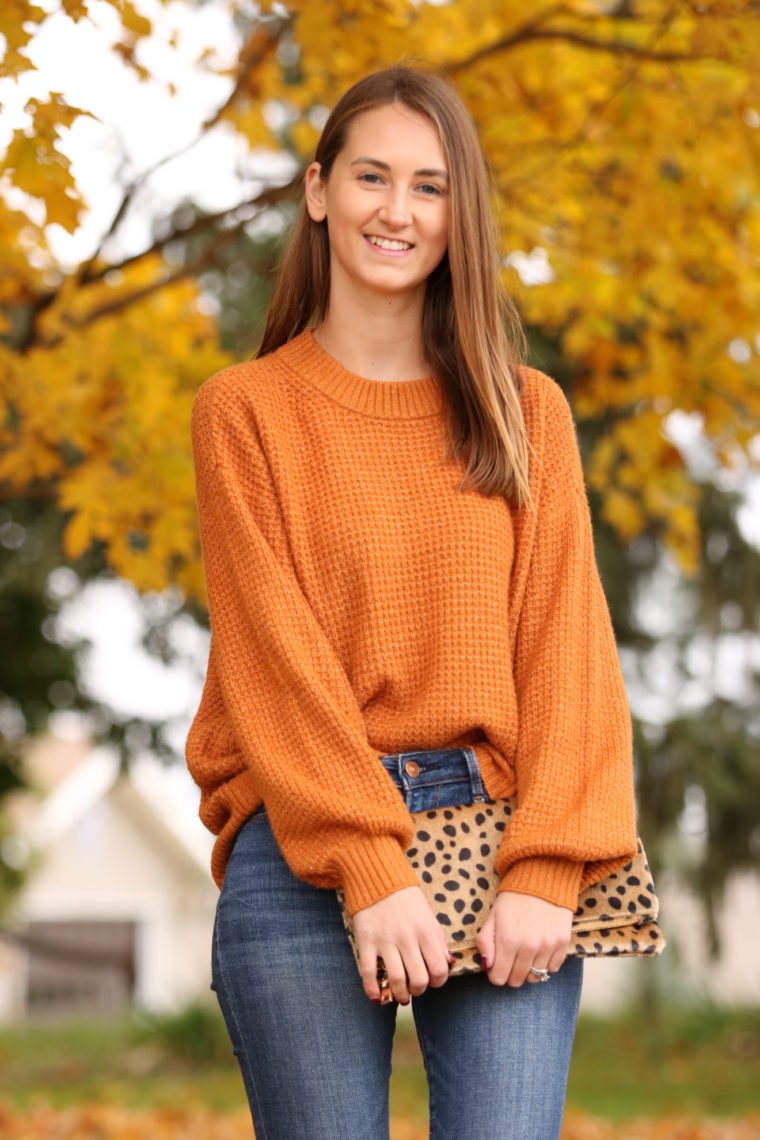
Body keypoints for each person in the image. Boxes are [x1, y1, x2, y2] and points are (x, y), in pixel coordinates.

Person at [186, 64, 639, 1140]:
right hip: (303, 848)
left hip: (503, 843)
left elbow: (566, 645)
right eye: (372, 177)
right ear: (316, 190)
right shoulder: (243, 413)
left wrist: (545, 865)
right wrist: (368, 864)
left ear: (459, 213)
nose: (397, 211)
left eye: (430, 187)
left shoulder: (525, 410)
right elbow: (272, 661)